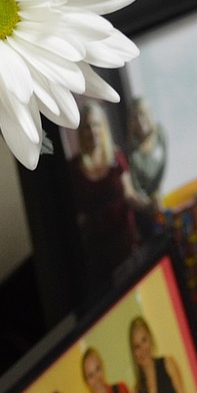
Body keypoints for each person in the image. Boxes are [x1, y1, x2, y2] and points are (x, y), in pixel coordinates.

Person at [70, 102, 151, 289]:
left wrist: (148, 205)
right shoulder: (74, 168)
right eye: (87, 127)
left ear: (103, 128)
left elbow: (129, 194)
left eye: (96, 125)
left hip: (126, 242)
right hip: (98, 251)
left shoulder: (116, 156)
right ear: (81, 132)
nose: (92, 131)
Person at [127, 97, 167, 238]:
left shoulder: (161, 133)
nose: (139, 120)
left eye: (142, 114)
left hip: (161, 198)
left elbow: (163, 167)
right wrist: (149, 203)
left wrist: (158, 193)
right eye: (135, 116)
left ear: (149, 114)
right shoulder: (131, 150)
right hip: (143, 207)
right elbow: (134, 186)